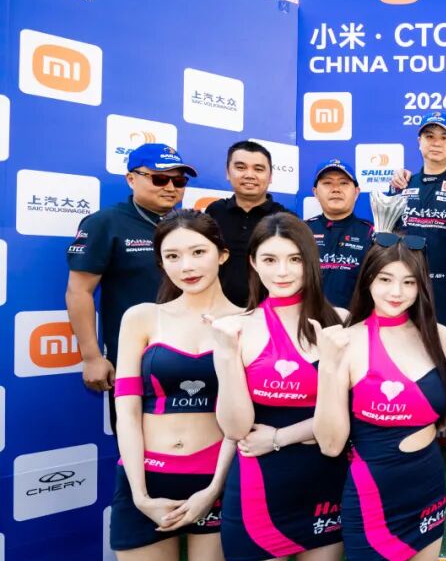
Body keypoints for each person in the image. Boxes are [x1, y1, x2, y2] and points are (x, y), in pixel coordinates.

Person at [312, 235, 446, 561]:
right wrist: (329, 369)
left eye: (408, 282)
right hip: (374, 502)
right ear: (368, 280)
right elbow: (330, 445)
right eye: (385, 279)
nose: (396, 292)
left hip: (428, 490)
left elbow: (438, 422)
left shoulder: (437, 335)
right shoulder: (347, 341)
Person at [210, 212, 347, 561]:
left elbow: (343, 423)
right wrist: (226, 356)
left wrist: (280, 437)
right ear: (253, 263)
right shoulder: (236, 328)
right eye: (270, 260)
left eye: (294, 259)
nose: (282, 271)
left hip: (326, 487)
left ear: (310, 261)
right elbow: (236, 429)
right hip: (256, 495)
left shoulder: (340, 323)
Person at [110, 210, 238, 561]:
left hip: (217, 482)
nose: (187, 266)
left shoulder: (246, 322)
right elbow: (127, 411)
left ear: (222, 254)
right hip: (144, 480)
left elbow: (242, 420)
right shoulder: (141, 317)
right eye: (173, 256)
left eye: (198, 252)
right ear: (161, 262)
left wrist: (213, 490)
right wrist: (140, 494)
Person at [66, 143, 196, 423]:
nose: (170, 187)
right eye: (159, 179)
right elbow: (79, 291)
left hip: (193, 353)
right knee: (135, 440)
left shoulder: (190, 224)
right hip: (134, 359)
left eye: (179, 181)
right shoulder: (105, 223)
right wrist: (92, 357)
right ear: (131, 179)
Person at [390, 111, 446, 488]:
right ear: (419, 142)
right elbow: (386, 240)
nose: (436, 143)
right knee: (402, 366)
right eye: (429, 136)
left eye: (444, 137)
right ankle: (406, 439)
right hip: (406, 293)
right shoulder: (402, 187)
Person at [206, 140, 288, 307]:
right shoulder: (214, 212)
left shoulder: (285, 218)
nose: (249, 175)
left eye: (258, 169)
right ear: (228, 172)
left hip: (269, 312)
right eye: (241, 167)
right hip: (216, 311)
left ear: (270, 176)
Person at [305, 158, 373, 308]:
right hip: (308, 319)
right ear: (315, 192)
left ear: (356, 192)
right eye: (327, 183)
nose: (336, 189)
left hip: (356, 321)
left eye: (343, 183)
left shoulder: (371, 233)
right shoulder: (302, 231)